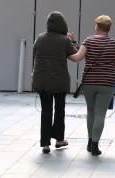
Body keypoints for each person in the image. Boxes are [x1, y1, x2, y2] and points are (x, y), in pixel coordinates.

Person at [69, 15, 115, 156]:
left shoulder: (88, 41)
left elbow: (77, 58)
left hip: (89, 83)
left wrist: (69, 45)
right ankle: (95, 145)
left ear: (97, 27)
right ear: (109, 28)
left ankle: (89, 142)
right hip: (107, 83)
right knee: (100, 114)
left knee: (91, 112)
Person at [32, 11, 78, 153]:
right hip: (59, 81)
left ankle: (45, 144)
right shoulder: (65, 40)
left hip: (42, 80)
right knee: (59, 110)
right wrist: (73, 41)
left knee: (46, 111)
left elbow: (35, 55)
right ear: (62, 24)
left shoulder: (39, 38)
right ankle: (59, 140)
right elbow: (75, 57)